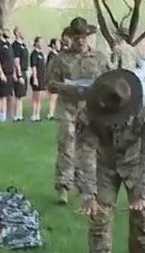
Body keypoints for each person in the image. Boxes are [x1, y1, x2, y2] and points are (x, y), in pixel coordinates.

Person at [78, 69, 145, 253]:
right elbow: (85, 152)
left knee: (142, 215)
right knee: (99, 215)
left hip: (135, 162)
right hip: (104, 162)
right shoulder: (88, 112)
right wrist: (89, 193)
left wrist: (144, 191)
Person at [45, 17, 111, 205]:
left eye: (83, 37)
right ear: (71, 38)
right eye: (76, 38)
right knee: (66, 146)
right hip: (68, 109)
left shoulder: (99, 58)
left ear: (88, 37)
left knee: (88, 148)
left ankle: (87, 187)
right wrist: (68, 87)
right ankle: (64, 186)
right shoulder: (61, 59)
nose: (80, 41)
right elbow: (49, 84)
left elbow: (110, 81)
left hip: (91, 110)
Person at [0, 27, 21, 123]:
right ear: (0, 32)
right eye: (6, 31)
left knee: (6, 95)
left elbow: (12, 60)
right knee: (0, 96)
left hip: (10, 73)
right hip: (3, 73)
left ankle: (3, 116)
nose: (8, 32)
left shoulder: (8, 44)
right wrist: (0, 73)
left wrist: (14, 73)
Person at [12, 27, 30, 121]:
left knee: (21, 95)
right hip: (20, 71)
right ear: (17, 33)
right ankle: (16, 115)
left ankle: (20, 114)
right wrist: (19, 75)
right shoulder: (15, 46)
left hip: (24, 71)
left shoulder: (23, 45)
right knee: (18, 95)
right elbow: (16, 61)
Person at [29, 37, 48, 121]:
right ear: (36, 43)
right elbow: (33, 66)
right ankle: (34, 114)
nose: (42, 44)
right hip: (37, 77)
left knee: (40, 97)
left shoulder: (41, 54)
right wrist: (35, 78)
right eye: (41, 42)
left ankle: (38, 114)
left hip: (42, 77)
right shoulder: (34, 54)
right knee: (36, 97)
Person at [44, 37, 61, 120]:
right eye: (57, 44)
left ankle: (54, 112)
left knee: (56, 96)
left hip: (57, 78)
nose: (59, 45)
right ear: (53, 45)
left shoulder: (57, 55)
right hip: (53, 78)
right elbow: (49, 68)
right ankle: (50, 113)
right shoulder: (51, 55)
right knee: (53, 96)